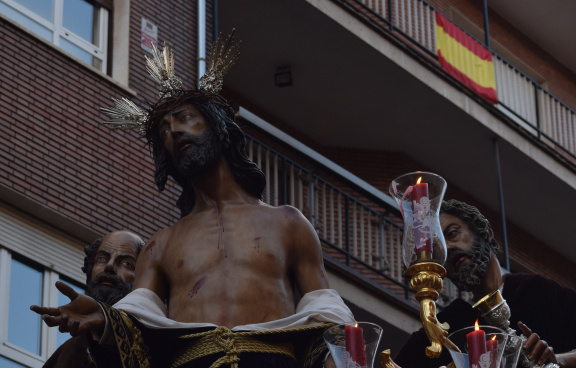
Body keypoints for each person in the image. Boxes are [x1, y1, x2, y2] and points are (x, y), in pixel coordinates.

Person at [32, 37, 354, 368]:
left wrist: (337, 358)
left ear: (221, 129)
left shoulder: (288, 223)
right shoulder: (161, 244)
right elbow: (139, 327)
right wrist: (103, 320)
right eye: (165, 132)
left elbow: (325, 314)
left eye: (184, 118)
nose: (173, 132)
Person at [394, 199, 576, 368]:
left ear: (485, 232)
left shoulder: (539, 292)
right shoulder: (447, 327)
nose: (448, 248)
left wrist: (557, 360)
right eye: (439, 250)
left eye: (453, 233)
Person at [43, 230, 145, 368]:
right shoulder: (61, 358)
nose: (109, 266)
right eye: (102, 259)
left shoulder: (156, 340)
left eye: (126, 263)